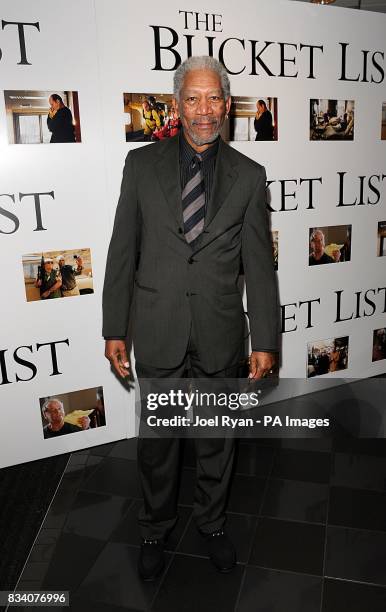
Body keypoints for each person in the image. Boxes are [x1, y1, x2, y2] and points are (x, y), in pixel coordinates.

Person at [102, 55, 279, 581]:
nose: (205, 110)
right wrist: (115, 328)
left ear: (227, 105)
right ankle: (154, 528)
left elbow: (260, 267)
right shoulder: (141, 166)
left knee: (217, 441)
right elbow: (121, 251)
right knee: (157, 444)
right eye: (193, 99)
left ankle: (213, 523)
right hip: (158, 329)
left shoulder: (250, 176)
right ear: (178, 105)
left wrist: (265, 339)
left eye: (214, 99)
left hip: (221, 332)